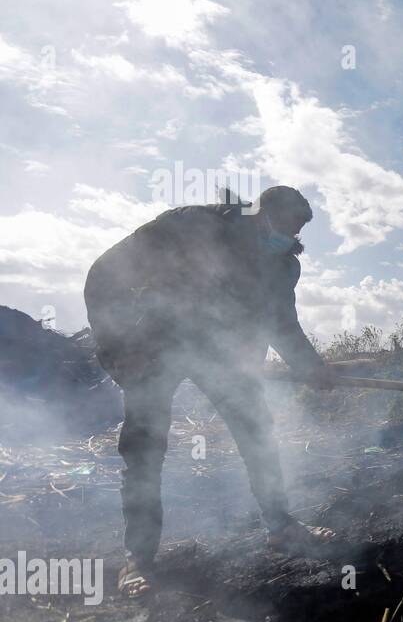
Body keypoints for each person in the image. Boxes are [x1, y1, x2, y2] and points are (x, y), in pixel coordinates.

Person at [84, 186, 336, 597]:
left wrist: (310, 368)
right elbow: (105, 274)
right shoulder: (192, 225)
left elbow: (280, 322)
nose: (287, 237)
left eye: (296, 230)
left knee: (258, 432)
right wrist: (114, 346)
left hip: (224, 357)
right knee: (145, 449)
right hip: (154, 348)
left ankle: (282, 527)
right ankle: (140, 560)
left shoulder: (282, 265)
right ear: (260, 212)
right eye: (282, 225)